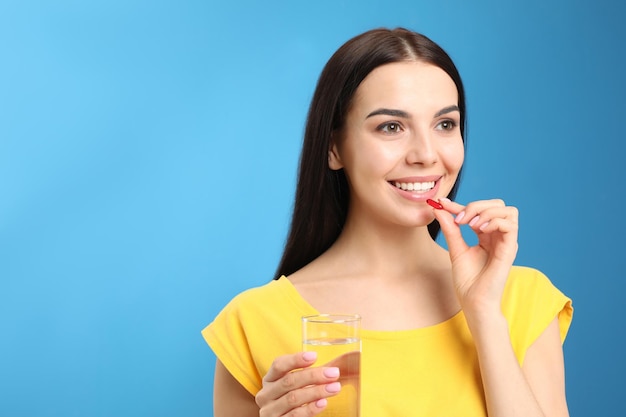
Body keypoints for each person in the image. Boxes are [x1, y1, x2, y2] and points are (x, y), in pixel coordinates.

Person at [202, 27, 573, 417]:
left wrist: (484, 314)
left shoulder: (521, 299)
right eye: (391, 127)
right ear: (333, 148)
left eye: (445, 124)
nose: (426, 155)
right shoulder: (254, 322)